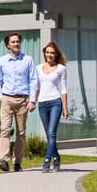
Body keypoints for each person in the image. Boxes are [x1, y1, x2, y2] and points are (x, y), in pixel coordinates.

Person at [0, 32, 38, 172]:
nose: (16, 44)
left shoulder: (28, 60)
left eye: (18, 41)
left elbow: (33, 80)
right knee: (5, 130)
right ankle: (4, 161)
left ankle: (17, 162)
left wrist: (32, 100)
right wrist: (0, 97)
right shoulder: (1, 61)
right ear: (8, 45)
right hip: (7, 98)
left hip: (23, 100)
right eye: (13, 42)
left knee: (21, 132)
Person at [36, 42, 69, 173]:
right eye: (47, 52)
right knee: (49, 135)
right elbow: (37, 87)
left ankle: (46, 161)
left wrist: (65, 108)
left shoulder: (61, 68)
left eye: (52, 53)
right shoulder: (39, 68)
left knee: (52, 133)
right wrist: (33, 101)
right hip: (42, 104)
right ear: (45, 53)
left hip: (55, 102)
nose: (49, 55)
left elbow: (64, 90)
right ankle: (57, 158)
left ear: (56, 55)